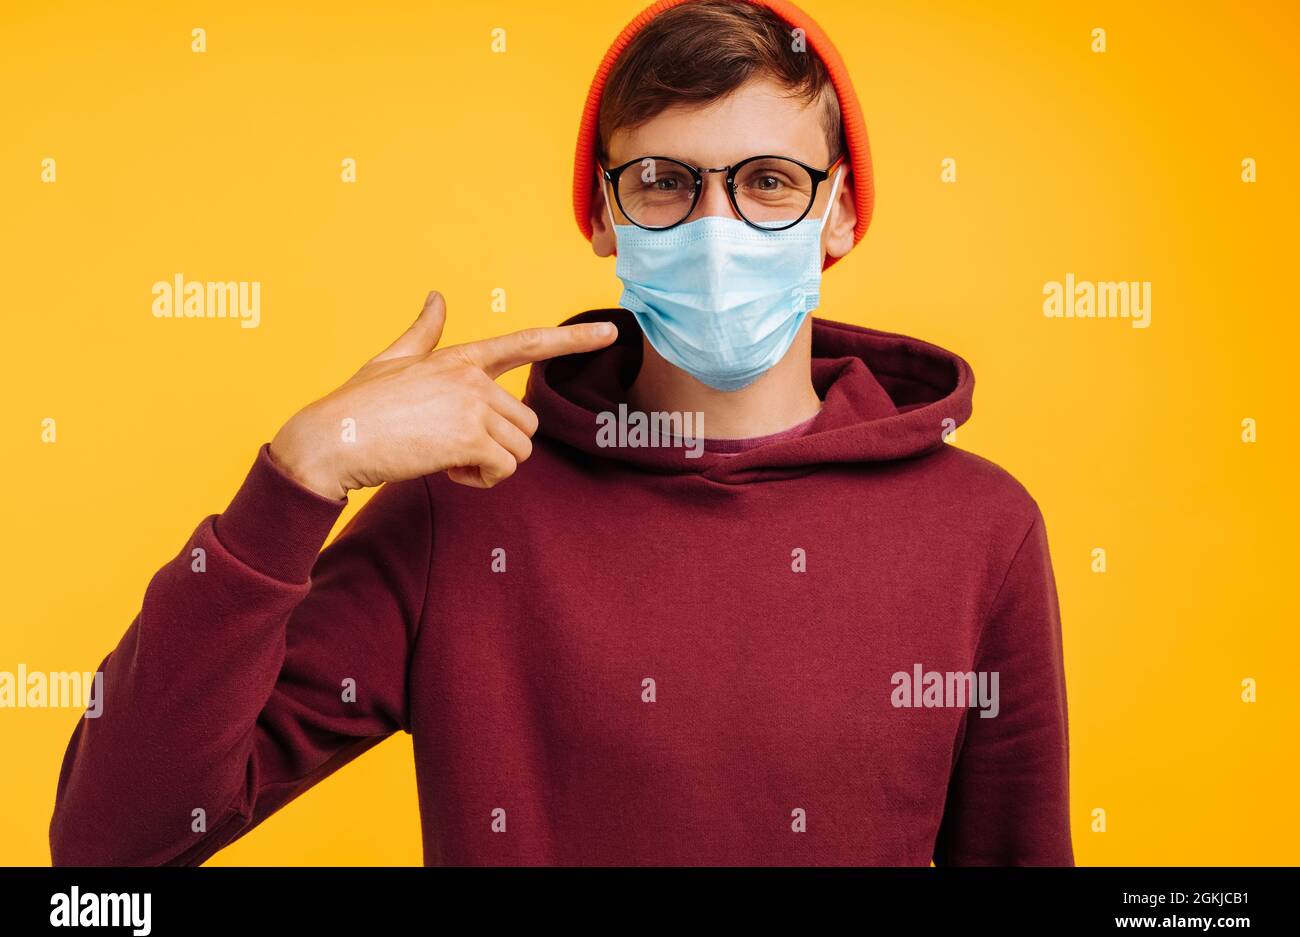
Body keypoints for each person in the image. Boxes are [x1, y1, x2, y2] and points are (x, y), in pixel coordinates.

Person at [50, 0, 1072, 866]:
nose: (716, 226)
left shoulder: (981, 527)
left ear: (839, 213)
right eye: (665, 183)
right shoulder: (469, 504)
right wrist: (296, 476)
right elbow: (112, 841)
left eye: (767, 182)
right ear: (601, 214)